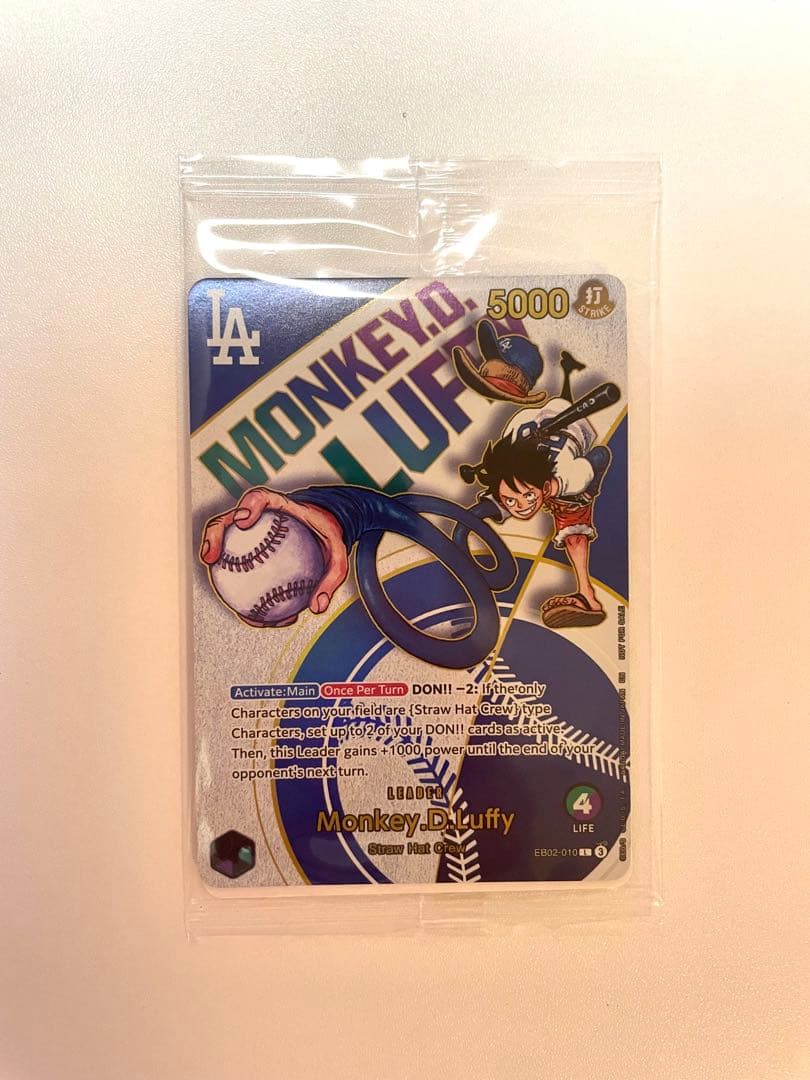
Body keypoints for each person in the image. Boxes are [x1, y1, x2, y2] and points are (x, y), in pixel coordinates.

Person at [460, 396, 612, 628]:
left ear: (546, 488)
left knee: (573, 517)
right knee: (517, 495)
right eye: (511, 500)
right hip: (527, 426)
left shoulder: (572, 478)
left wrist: (587, 493)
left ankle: (587, 595)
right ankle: (587, 597)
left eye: (529, 496)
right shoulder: (508, 480)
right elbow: (501, 496)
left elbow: (601, 455)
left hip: (572, 429)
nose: (522, 506)